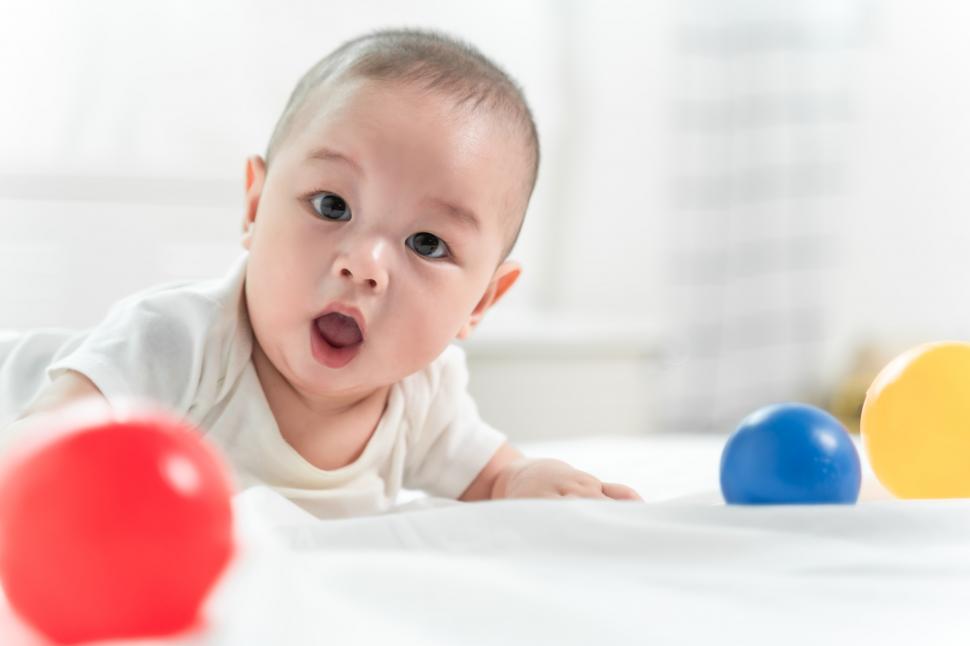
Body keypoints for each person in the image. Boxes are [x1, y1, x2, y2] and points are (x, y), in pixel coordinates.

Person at [0, 29, 640, 517]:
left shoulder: (423, 398)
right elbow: (44, 442)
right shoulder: (178, 340)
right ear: (255, 206)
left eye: (426, 243)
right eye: (332, 206)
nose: (363, 264)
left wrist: (524, 483)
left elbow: (490, 477)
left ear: (482, 301)